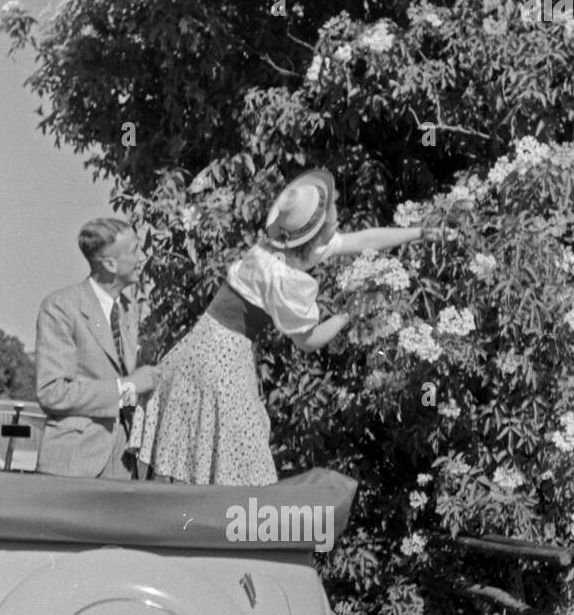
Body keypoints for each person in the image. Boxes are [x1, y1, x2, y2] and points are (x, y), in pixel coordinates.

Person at [135, 168, 429, 485]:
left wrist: (419, 232)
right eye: (332, 212)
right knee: (245, 464)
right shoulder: (286, 278)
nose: (337, 215)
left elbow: (362, 240)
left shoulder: (275, 250)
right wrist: (349, 313)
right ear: (317, 232)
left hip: (198, 348)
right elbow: (308, 340)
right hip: (221, 362)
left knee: (204, 453)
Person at [35, 218, 160, 479]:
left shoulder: (129, 310)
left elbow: (121, 392)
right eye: (134, 250)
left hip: (124, 466)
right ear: (110, 264)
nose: (142, 257)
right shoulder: (61, 307)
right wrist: (128, 387)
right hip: (74, 467)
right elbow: (52, 393)